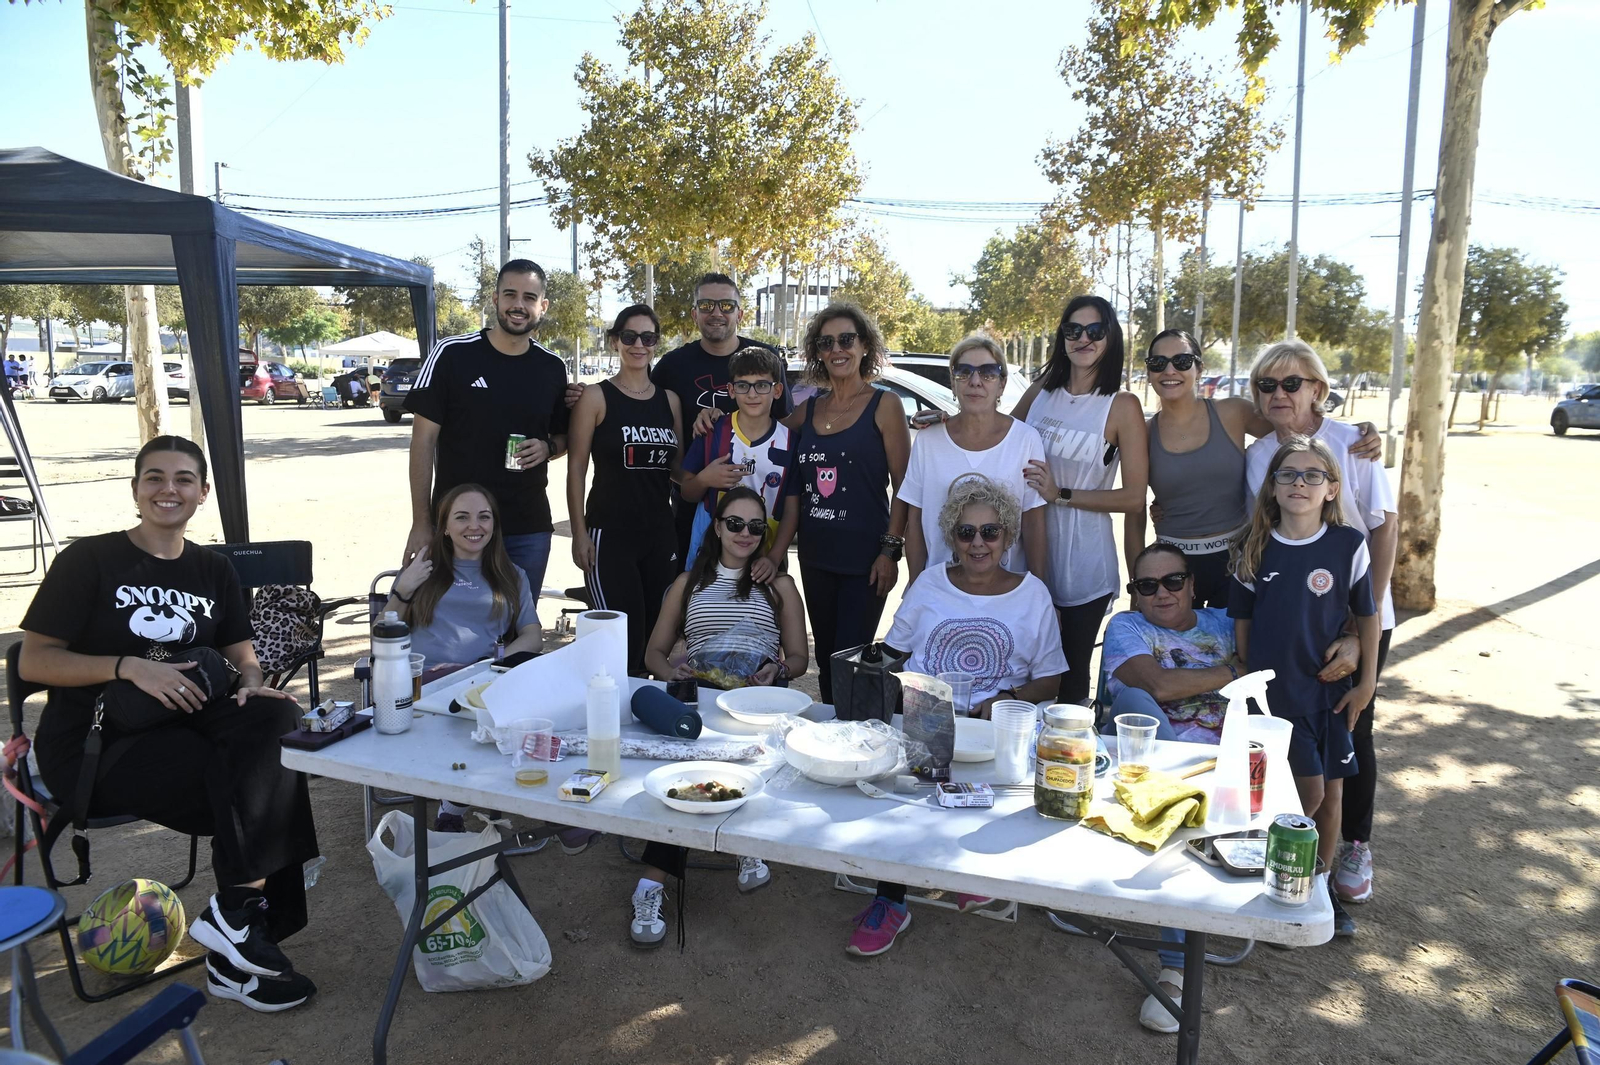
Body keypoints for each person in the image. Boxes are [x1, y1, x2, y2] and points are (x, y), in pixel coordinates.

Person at [18, 436, 320, 1013]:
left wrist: (251, 681)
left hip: (186, 721)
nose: (168, 489)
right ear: (135, 489)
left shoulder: (213, 568)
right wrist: (127, 667)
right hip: (95, 743)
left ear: (202, 493)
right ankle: (243, 941)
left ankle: (236, 920)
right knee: (254, 785)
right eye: (154, 477)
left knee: (278, 717)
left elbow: (243, 655)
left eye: (183, 479)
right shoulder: (89, 560)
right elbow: (34, 660)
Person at [1104, 540, 1360, 1033]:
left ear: (1192, 584)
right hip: (1167, 771)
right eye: (1147, 585)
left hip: (1240, 766)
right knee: (1135, 700)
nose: (1162, 593)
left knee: (1303, 768)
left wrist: (1353, 640)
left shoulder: (1226, 622)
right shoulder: (1127, 627)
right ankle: (1175, 971)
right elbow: (1158, 687)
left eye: (1173, 581)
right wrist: (1236, 671)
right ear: (1135, 592)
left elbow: (1303, 634)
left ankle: (1275, 887)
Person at [845, 477, 1066, 957]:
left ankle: (970, 871)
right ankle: (891, 900)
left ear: (1008, 537)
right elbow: (893, 655)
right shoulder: (929, 584)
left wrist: (1007, 697)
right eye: (966, 533)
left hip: (994, 725)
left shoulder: (1033, 595)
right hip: (929, 716)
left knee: (986, 779)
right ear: (952, 537)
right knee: (902, 797)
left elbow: (1051, 680)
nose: (978, 543)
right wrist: (882, 679)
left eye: (990, 532)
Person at [1243, 339, 1396, 917]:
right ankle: (1286, 849)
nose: (1279, 394)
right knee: (1294, 742)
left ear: (1318, 389)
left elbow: (1384, 527)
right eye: (1266, 385)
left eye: (1292, 383)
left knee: (1353, 733)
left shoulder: (1353, 442)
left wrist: (1359, 629)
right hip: (1296, 619)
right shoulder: (1259, 457)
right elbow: (1261, 532)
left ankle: (1352, 849)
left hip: (1358, 607)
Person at [630, 487, 809, 946]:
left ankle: (667, 874)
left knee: (720, 765)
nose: (745, 533)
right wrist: (671, 672)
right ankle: (658, 881)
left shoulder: (780, 585)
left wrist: (778, 671)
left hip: (756, 705)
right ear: (717, 526)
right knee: (694, 768)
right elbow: (653, 652)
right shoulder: (688, 583)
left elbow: (798, 658)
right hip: (700, 702)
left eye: (756, 526)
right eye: (735, 523)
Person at [1231, 435, 1380, 938]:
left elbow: (1367, 617)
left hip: (1329, 693)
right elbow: (1244, 624)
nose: (1300, 483)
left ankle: (1318, 890)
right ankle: (1271, 878)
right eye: (1288, 474)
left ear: (1332, 488)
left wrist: (1366, 684)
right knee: (1301, 794)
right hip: (1275, 699)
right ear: (1272, 487)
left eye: (1313, 475)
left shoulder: (1348, 545)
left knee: (1332, 795)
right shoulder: (1252, 546)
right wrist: (1249, 679)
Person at [1130, 329, 1384, 609]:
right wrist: (1136, 588)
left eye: (1181, 361)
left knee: (1237, 637)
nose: (1169, 370)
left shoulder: (1234, 412)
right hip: (1173, 566)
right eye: (1158, 363)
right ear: (1149, 371)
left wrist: (1359, 432)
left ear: (1199, 368)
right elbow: (1134, 510)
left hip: (1235, 561)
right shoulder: (1142, 433)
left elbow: (1297, 426)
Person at [381, 483, 576, 844]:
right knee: (497, 723)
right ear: (444, 527)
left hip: (482, 683)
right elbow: (383, 634)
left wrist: (491, 667)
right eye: (462, 517)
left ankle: (563, 808)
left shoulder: (510, 574)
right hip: (426, 687)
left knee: (547, 705)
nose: (475, 525)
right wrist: (403, 589)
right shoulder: (422, 571)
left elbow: (532, 635)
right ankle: (455, 809)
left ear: (494, 525)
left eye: (484, 517)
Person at [570, 273, 788, 572]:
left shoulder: (765, 358)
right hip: (690, 513)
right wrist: (584, 397)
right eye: (707, 305)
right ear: (694, 313)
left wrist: (822, 411)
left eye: (726, 305)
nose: (716, 312)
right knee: (689, 596)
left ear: (740, 313)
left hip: (759, 515)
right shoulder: (672, 366)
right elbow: (635, 397)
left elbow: (785, 423)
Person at [758, 301, 911, 705]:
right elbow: (760, 435)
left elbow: (905, 487)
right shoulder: (808, 410)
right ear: (818, 352)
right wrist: (714, 422)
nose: (837, 349)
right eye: (826, 343)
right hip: (816, 557)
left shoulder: (885, 405)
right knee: (827, 661)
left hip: (866, 561)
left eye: (846, 339)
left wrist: (890, 552)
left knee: (852, 663)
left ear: (864, 346)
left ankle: (858, 735)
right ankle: (833, 734)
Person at [403, 258, 570, 597]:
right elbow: (422, 443)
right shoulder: (451, 354)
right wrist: (421, 522)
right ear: (495, 299)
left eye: (529, 297)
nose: (518, 305)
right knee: (454, 623)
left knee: (521, 624)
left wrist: (548, 448)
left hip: (527, 527)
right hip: (461, 527)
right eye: (510, 295)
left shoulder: (552, 367)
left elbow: (564, 437)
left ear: (543, 306)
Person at [1015, 295, 1150, 704]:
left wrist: (1061, 494)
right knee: (1022, 672)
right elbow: (997, 436)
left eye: (1095, 331)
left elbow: (1134, 498)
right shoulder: (1041, 392)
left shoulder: (1121, 405)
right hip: (1027, 555)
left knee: (1070, 685)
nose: (1083, 339)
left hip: (1083, 567)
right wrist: (947, 423)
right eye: (1073, 330)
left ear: (1111, 338)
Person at [566, 305, 683, 674]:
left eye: (648, 338)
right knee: (619, 646)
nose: (639, 345)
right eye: (630, 337)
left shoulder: (670, 401)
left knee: (655, 641)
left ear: (656, 343)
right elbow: (576, 470)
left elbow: (678, 469)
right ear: (615, 341)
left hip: (660, 535)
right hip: (609, 536)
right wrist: (579, 533)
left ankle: (648, 707)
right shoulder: (596, 397)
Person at [899, 333, 1047, 583]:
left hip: (1006, 589)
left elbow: (1033, 522)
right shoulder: (928, 440)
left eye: (988, 373)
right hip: (940, 587)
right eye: (964, 372)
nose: (975, 381)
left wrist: (1039, 590)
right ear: (953, 382)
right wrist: (916, 585)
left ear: (1001, 384)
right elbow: (914, 521)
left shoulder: (1026, 440)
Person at [679, 346, 792, 561]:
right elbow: (686, 492)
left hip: (762, 558)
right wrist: (704, 479)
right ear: (731, 390)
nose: (752, 394)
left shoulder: (790, 442)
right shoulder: (711, 431)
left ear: (777, 390)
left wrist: (774, 559)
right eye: (743, 385)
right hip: (709, 559)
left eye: (762, 385)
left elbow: (791, 510)